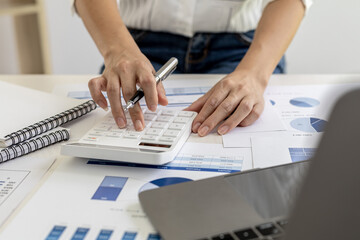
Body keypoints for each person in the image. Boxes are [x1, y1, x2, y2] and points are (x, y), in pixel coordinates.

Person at [73, 0, 312, 137]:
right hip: (135, 46)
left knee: (232, 134)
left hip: (245, 50)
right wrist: (117, 51)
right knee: (119, 135)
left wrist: (254, 75)